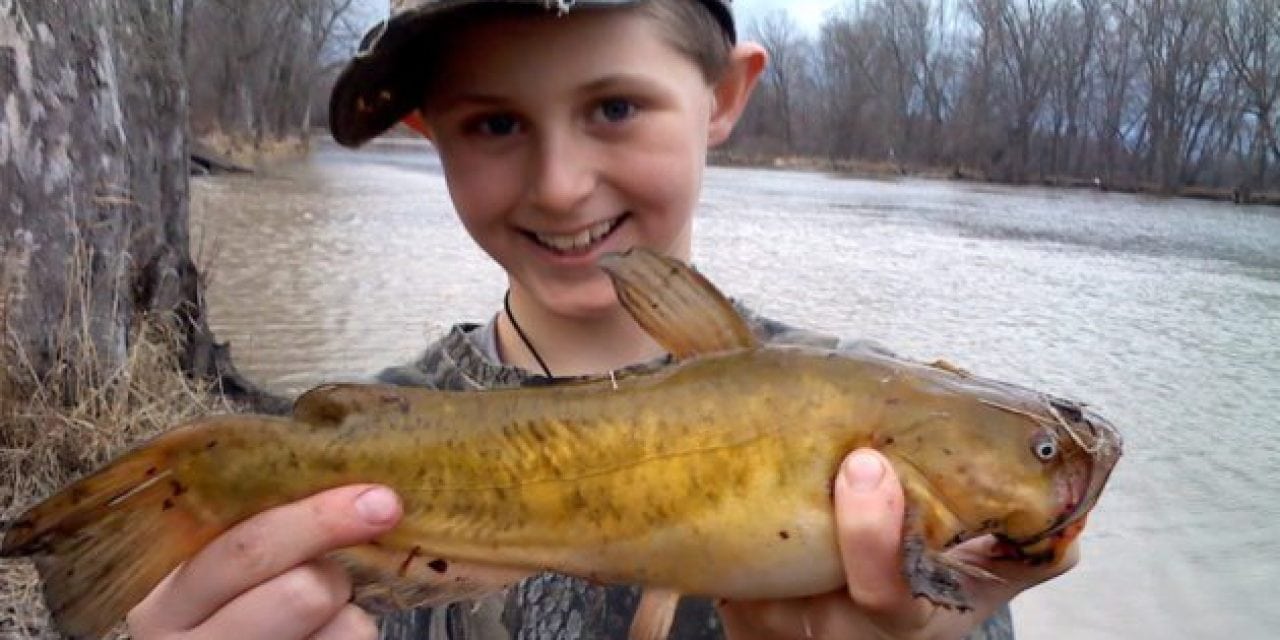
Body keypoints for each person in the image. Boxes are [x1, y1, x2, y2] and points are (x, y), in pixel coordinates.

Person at [126, 1, 1077, 638]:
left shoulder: (879, 445)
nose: (560, 185)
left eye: (615, 106)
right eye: (494, 124)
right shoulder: (352, 467)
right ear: (428, 133)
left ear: (726, 94)